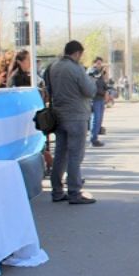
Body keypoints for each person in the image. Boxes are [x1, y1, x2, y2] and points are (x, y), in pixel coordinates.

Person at [47, 40, 98, 205]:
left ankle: (56, 191)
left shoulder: (53, 67)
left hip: (58, 116)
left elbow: (48, 88)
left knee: (60, 154)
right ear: (77, 53)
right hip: (76, 116)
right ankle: (75, 192)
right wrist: (93, 81)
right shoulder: (76, 69)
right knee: (75, 155)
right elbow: (89, 91)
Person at [88, 57, 108, 146]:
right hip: (95, 99)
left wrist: (107, 92)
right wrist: (103, 93)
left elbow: (104, 84)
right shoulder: (91, 72)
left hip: (101, 99)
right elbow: (92, 86)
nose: (100, 65)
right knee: (95, 119)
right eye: (98, 63)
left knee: (99, 119)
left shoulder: (101, 74)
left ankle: (95, 136)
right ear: (94, 63)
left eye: (101, 63)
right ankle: (93, 138)